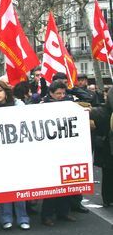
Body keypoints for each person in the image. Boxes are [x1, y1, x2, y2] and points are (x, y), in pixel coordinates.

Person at [0, 80, 30, 230]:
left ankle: (23, 218)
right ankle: (6, 218)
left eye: (0, 90)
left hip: (16, 153)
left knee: (19, 185)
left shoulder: (18, 105)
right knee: (4, 186)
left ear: (6, 91)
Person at [40, 81, 78, 226]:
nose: (62, 96)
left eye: (63, 93)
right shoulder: (43, 106)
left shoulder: (70, 104)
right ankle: (47, 215)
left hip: (65, 149)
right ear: (51, 93)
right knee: (51, 185)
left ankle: (64, 212)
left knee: (65, 183)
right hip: (50, 150)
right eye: (58, 94)